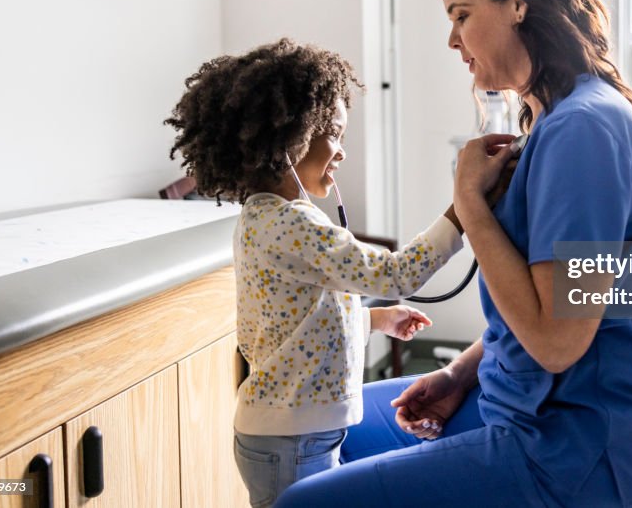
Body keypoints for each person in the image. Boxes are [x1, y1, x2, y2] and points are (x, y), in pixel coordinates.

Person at [277, 0, 632, 508]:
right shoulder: (553, 121)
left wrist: (470, 204)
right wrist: (459, 375)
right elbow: (533, 321)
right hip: (514, 405)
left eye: (461, 15)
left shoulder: (584, 131)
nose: (452, 41)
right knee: (320, 433)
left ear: (518, 0)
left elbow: (556, 343)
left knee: (300, 503)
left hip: (581, 451)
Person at [164, 38, 467, 508]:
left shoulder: (268, 216)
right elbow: (397, 274)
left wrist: (374, 320)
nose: (342, 153)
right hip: (293, 443)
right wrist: (462, 211)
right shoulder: (292, 224)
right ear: (291, 139)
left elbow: (293, 323)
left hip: (296, 433)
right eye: (335, 136)